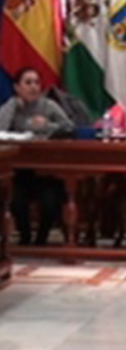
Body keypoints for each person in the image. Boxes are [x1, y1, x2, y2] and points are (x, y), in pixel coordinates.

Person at [0, 67, 74, 245]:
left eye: (37, 83)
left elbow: (70, 128)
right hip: (19, 172)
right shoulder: (12, 106)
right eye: (28, 83)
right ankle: (25, 237)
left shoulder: (48, 105)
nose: (33, 87)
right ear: (17, 87)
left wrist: (48, 125)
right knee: (15, 198)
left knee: (50, 200)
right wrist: (12, 105)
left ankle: (42, 238)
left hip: (47, 171)